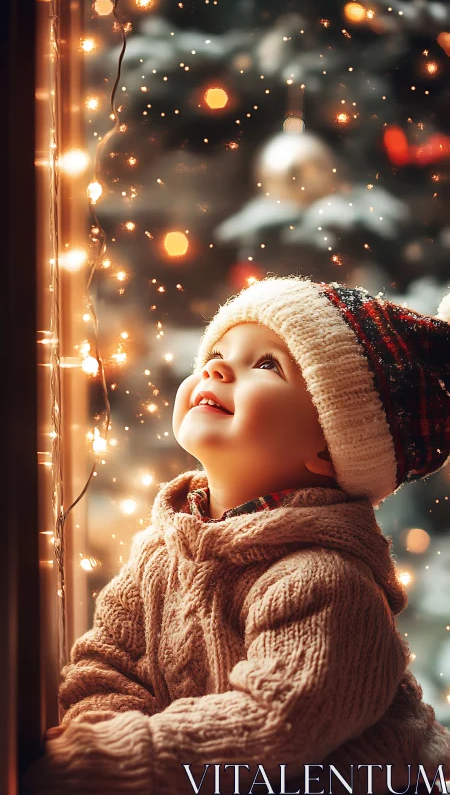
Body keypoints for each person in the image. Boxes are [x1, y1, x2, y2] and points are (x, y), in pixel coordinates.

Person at [25, 275, 450, 795]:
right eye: (218, 352)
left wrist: (132, 754)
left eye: (266, 364)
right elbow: (108, 666)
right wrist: (102, 741)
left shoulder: (323, 577)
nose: (216, 367)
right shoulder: (162, 551)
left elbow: (277, 721)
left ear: (330, 445)